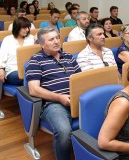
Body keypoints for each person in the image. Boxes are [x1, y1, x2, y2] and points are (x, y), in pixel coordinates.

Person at [25, 27, 81, 160]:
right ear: (42, 44)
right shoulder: (35, 60)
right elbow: (33, 89)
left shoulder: (69, 57)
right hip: (53, 104)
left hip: (75, 100)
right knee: (64, 132)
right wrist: (59, 98)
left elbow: (80, 79)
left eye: (57, 38)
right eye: (51, 39)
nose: (56, 41)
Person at [0, 17, 35, 85]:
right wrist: (0, 69)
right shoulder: (8, 39)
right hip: (13, 70)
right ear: (17, 28)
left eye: (28, 27)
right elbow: (0, 58)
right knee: (31, 77)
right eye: (25, 28)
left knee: (35, 75)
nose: (27, 30)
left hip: (29, 69)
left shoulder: (31, 38)